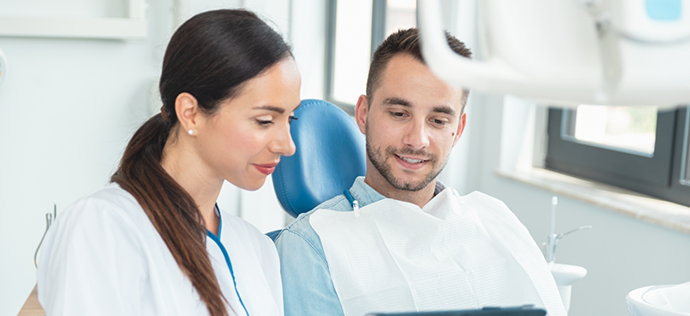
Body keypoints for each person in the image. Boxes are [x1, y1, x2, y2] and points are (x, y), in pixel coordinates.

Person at [274, 28, 566, 316]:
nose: (417, 140)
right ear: (363, 114)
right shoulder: (311, 247)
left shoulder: (495, 218)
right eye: (399, 114)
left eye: (438, 120)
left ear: (458, 130)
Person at [37, 9, 300, 316]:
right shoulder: (103, 226)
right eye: (265, 120)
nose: (288, 145)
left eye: (290, 119)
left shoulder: (258, 249)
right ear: (190, 113)